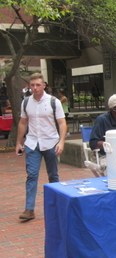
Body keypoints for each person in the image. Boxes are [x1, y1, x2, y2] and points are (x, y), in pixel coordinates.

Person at [15, 73, 67, 221]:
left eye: (38, 85)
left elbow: (62, 123)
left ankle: (57, 205)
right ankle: (29, 209)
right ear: (29, 86)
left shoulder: (53, 102)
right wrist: (19, 142)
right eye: (32, 85)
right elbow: (23, 123)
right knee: (31, 175)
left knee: (53, 175)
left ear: (44, 85)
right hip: (32, 143)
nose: (35, 88)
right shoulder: (26, 102)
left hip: (51, 142)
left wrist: (61, 142)